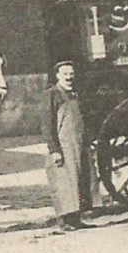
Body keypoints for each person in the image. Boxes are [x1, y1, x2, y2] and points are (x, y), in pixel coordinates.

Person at [42, 60, 92, 230]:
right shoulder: (52, 94)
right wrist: (54, 150)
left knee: (77, 181)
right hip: (63, 146)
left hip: (76, 145)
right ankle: (64, 221)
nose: (69, 77)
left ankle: (76, 219)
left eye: (71, 74)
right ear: (57, 76)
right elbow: (47, 125)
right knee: (63, 183)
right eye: (65, 74)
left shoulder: (75, 94)